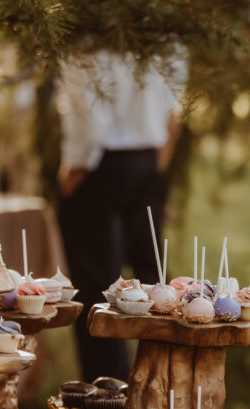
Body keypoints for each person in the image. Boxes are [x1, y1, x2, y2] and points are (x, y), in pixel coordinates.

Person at [56, 49, 185, 385]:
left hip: (99, 165)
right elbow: (173, 106)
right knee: (155, 283)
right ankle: (164, 393)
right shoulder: (160, 28)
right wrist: (157, 163)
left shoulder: (87, 31)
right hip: (148, 161)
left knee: (98, 292)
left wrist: (72, 172)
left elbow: (86, 114)